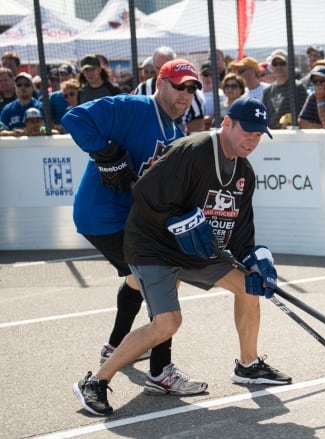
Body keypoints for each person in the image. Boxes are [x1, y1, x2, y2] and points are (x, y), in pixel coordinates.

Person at [72, 95, 291, 417]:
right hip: (153, 246)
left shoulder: (245, 173)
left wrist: (261, 262)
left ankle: (248, 365)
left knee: (249, 286)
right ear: (227, 123)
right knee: (167, 323)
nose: (252, 140)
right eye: (248, 131)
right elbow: (144, 192)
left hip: (195, 250)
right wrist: (179, 221)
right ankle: (95, 382)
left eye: (259, 135)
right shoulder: (194, 150)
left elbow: (242, 238)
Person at [63, 60, 209, 411]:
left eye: (192, 89)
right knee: (165, 276)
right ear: (159, 83)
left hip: (129, 220)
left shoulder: (176, 135)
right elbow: (74, 118)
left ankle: (117, 346)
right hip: (102, 217)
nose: (185, 94)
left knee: (138, 279)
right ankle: (156, 371)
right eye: (179, 86)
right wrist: (106, 154)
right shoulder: (132, 106)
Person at [133, 46, 206, 134]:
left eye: (166, 67)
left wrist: (181, 128)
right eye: (158, 68)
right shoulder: (142, 89)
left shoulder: (191, 89)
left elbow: (200, 122)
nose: (161, 71)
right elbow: (135, 118)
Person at [262, 52, 307, 130]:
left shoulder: (298, 87)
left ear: (289, 65)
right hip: (272, 135)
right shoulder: (267, 91)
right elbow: (264, 115)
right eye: (275, 64)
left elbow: (304, 113)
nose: (279, 67)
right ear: (271, 67)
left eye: (282, 63)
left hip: (292, 134)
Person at [199, 61, 225, 128]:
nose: (208, 77)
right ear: (200, 75)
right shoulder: (196, 95)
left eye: (211, 74)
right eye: (205, 74)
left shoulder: (221, 95)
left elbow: (222, 116)